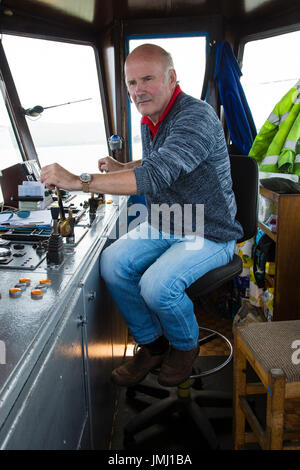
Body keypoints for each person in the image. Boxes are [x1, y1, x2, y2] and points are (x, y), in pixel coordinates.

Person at [40, 44, 243, 388]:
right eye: (132, 83)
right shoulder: (151, 117)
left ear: (171, 78)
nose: (137, 90)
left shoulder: (196, 116)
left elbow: (158, 173)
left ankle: (184, 346)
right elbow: (158, 160)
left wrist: (79, 181)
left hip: (209, 230)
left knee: (156, 286)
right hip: (168, 220)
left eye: (147, 79)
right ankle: (153, 344)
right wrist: (124, 167)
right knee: (113, 263)